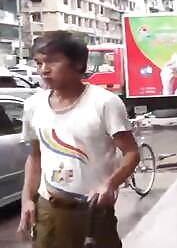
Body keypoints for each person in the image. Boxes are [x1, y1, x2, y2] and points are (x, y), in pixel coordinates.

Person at [17, 31, 140, 248]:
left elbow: (131, 152)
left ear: (78, 64)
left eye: (52, 61)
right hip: (49, 210)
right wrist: (27, 199)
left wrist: (109, 184)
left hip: (93, 212)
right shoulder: (33, 105)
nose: (44, 70)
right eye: (39, 63)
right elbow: (35, 157)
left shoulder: (104, 103)